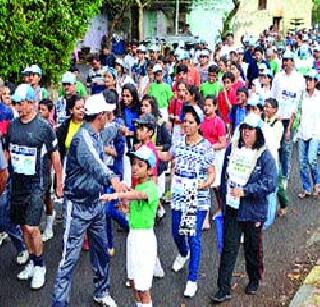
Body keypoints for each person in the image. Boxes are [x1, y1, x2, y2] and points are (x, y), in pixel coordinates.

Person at [52, 94, 125, 306]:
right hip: (77, 207)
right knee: (69, 259)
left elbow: (110, 130)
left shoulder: (96, 133)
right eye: (108, 114)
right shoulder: (83, 139)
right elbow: (95, 164)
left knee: (101, 251)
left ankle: (102, 292)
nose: (110, 117)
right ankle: (59, 302)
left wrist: (121, 128)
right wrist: (113, 179)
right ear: (100, 116)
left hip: (96, 203)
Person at [210, 113, 277, 303]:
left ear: (258, 132)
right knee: (229, 248)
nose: (246, 132)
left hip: (253, 210)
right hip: (232, 208)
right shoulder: (232, 149)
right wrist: (223, 201)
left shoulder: (264, 155)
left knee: (251, 247)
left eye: (250, 129)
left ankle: (254, 279)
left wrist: (246, 191)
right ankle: (223, 288)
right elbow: (224, 176)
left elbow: (270, 183)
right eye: (244, 128)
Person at [7, 85, 63, 290]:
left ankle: (40, 266)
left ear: (32, 103)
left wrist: (59, 183)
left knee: (32, 227)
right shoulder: (13, 126)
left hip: (37, 185)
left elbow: (55, 156)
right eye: (15, 103)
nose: (18, 107)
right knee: (23, 227)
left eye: (21, 103)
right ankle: (32, 260)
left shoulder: (44, 127)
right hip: (17, 184)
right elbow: (7, 154)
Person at [158, 105, 215, 298]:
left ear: (198, 124)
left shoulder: (206, 147)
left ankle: (192, 279)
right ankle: (183, 253)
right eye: (185, 122)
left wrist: (204, 183)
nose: (187, 126)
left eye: (191, 122)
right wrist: (151, 147)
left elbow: (211, 172)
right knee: (176, 231)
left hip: (195, 197)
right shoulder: (178, 142)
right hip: (178, 194)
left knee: (194, 236)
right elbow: (167, 156)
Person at [101, 146, 158, 307]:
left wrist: (117, 194)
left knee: (143, 287)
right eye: (133, 164)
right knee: (133, 282)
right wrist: (124, 208)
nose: (134, 168)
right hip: (133, 236)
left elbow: (140, 196)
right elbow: (135, 206)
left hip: (144, 239)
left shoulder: (151, 188)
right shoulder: (138, 186)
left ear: (149, 170)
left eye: (140, 165)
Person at [271, 50, 305, 185]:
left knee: (286, 148)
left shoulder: (299, 79)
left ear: (293, 62)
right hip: (278, 117)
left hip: (291, 119)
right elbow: (273, 97)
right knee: (275, 147)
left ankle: (285, 176)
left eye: (290, 60)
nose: (287, 63)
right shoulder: (278, 77)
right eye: (285, 60)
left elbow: (300, 100)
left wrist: (296, 119)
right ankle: (276, 173)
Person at [200, 95, 226, 228]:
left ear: (215, 107)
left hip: (215, 157)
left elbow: (223, 143)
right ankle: (205, 218)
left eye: (210, 105)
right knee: (205, 186)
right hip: (204, 156)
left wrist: (210, 146)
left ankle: (222, 209)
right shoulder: (201, 121)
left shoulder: (219, 122)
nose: (207, 107)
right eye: (205, 104)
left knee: (217, 187)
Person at [297, 70, 320, 198]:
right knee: (302, 162)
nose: (308, 82)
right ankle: (307, 188)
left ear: (315, 82)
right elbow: (297, 112)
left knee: (311, 159)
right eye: (307, 79)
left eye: (311, 80)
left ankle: (317, 183)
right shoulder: (302, 95)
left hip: (315, 132)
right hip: (302, 131)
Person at [38, 99, 57, 241]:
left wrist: (51, 169)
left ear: (50, 112)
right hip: (35, 169)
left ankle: (49, 225)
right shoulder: (36, 125)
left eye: (43, 109)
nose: (40, 112)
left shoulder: (49, 127)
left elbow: (53, 153)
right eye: (39, 108)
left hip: (46, 168)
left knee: (46, 197)